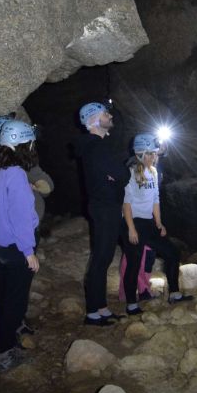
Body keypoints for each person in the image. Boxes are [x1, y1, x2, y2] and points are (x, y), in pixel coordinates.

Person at [0, 119, 40, 371]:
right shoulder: (16, 174)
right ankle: (5, 354)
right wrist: (29, 251)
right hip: (15, 249)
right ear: (23, 144)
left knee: (3, 298)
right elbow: (22, 217)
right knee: (14, 302)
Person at [120, 133, 192, 314]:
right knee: (134, 262)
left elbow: (155, 199)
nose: (155, 157)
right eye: (152, 154)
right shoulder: (130, 173)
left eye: (156, 154)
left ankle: (174, 293)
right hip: (132, 222)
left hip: (148, 222)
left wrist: (159, 223)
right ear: (141, 154)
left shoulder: (152, 171)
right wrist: (131, 229)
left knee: (173, 253)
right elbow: (126, 202)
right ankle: (131, 304)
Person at [74, 102, 130, 326]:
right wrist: (118, 176)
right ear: (94, 120)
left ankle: (101, 307)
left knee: (104, 257)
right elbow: (121, 175)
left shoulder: (96, 146)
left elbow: (115, 174)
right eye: (105, 114)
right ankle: (92, 312)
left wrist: (116, 176)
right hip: (105, 207)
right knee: (100, 259)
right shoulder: (96, 146)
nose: (110, 116)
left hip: (106, 206)